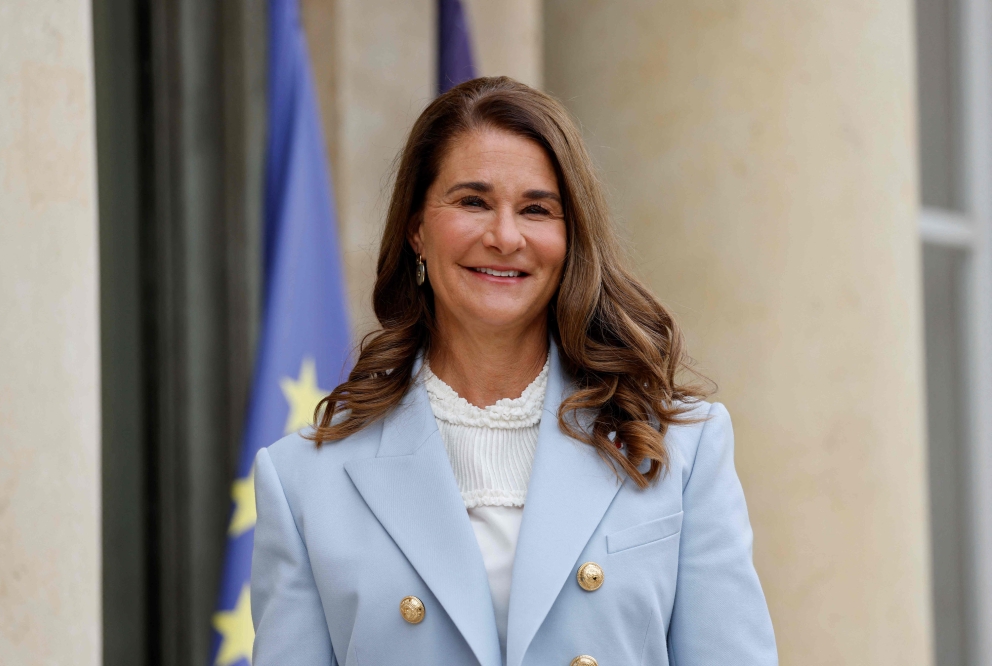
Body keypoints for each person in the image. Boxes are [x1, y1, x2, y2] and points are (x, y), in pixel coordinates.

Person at [251, 76, 777, 666]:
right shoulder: (303, 480)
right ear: (416, 229)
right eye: (472, 202)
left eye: (536, 209)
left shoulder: (680, 448)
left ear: (570, 237)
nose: (505, 236)